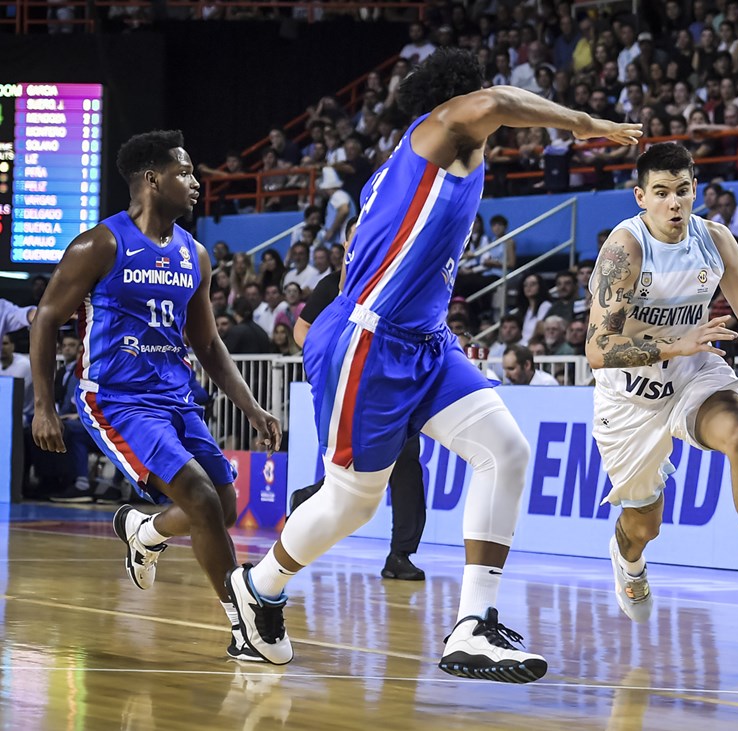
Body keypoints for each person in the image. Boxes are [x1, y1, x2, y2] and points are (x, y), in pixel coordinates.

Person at [226, 48, 642, 678]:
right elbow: (499, 103)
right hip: (373, 341)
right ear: (457, 102)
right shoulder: (439, 128)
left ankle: (473, 626)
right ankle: (258, 587)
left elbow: (353, 254)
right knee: (352, 503)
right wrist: (585, 123)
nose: (492, 125)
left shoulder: (410, 165)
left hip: (424, 340)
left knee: (506, 451)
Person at [29, 130, 282, 662]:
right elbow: (47, 318)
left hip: (176, 397)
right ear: (152, 179)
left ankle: (145, 532)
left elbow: (208, 342)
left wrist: (251, 406)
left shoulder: (194, 254)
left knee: (226, 503)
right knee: (200, 496)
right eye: (185, 173)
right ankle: (244, 623)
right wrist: (47, 405)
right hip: (117, 399)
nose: (194, 184)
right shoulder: (100, 244)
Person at [586, 142, 738, 628]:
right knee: (644, 526)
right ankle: (628, 563)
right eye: (661, 193)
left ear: (695, 189)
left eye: (682, 191)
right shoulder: (625, 249)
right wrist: (676, 343)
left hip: (694, 375)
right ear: (641, 196)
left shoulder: (715, 240)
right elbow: (597, 349)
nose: (673, 203)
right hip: (629, 400)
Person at [288, 217, 427, 582]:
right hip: (346, 385)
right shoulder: (332, 285)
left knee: (408, 461)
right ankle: (306, 501)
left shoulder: (394, 278)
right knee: (352, 471)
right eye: (355, 238)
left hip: (391, 385)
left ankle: (401, 554)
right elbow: (301, 330)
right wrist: (333, 354)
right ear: (346, 246)